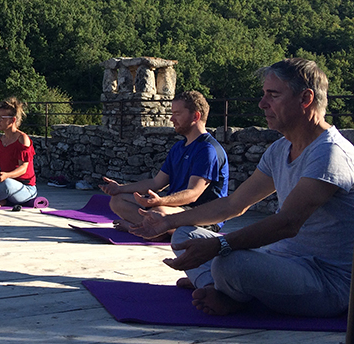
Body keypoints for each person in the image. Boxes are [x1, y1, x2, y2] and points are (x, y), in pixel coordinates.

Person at [132, 58, 354, 318]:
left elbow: (288, 223)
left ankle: (224, 289)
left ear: (305, 98)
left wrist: (220, 247)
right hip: (282, 261)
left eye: (273, 95)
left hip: (327, 281)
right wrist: (166, 223)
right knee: (185, 236)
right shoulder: (281, 149)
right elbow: (234, 204)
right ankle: (219, 289)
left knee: (231, 262)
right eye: (263, 95)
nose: (262, 104)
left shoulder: (330, 154)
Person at [100, 91, 228, 235]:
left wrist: (160, 201)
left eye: (177, 114)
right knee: (117, 201)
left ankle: (140, 228)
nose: (172, 119)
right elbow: (156, 183)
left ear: (196, 116)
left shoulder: (208, 150)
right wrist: (120, 188)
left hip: (201, 215)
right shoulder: (178, 147)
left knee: (158, 212)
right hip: (173, 209)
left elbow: (193, 194)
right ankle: (152, 229)